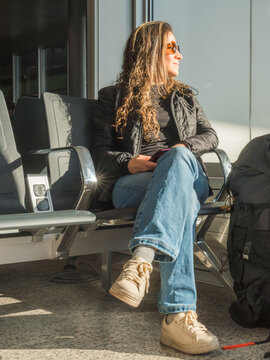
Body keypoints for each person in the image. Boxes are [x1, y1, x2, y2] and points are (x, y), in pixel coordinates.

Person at [91, 21, 219, 355]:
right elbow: (100, 153)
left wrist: (182, 150)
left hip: (186, 172)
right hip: (134, 181)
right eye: (171, 47)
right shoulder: (113, 96)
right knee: (184, 202)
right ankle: (179, 317)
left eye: (178, 47)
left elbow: (210, 136)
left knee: (177, 162)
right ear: (149, 52)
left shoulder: (185, 96)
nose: (179, 53)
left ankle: (141, 260)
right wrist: (128, 161)